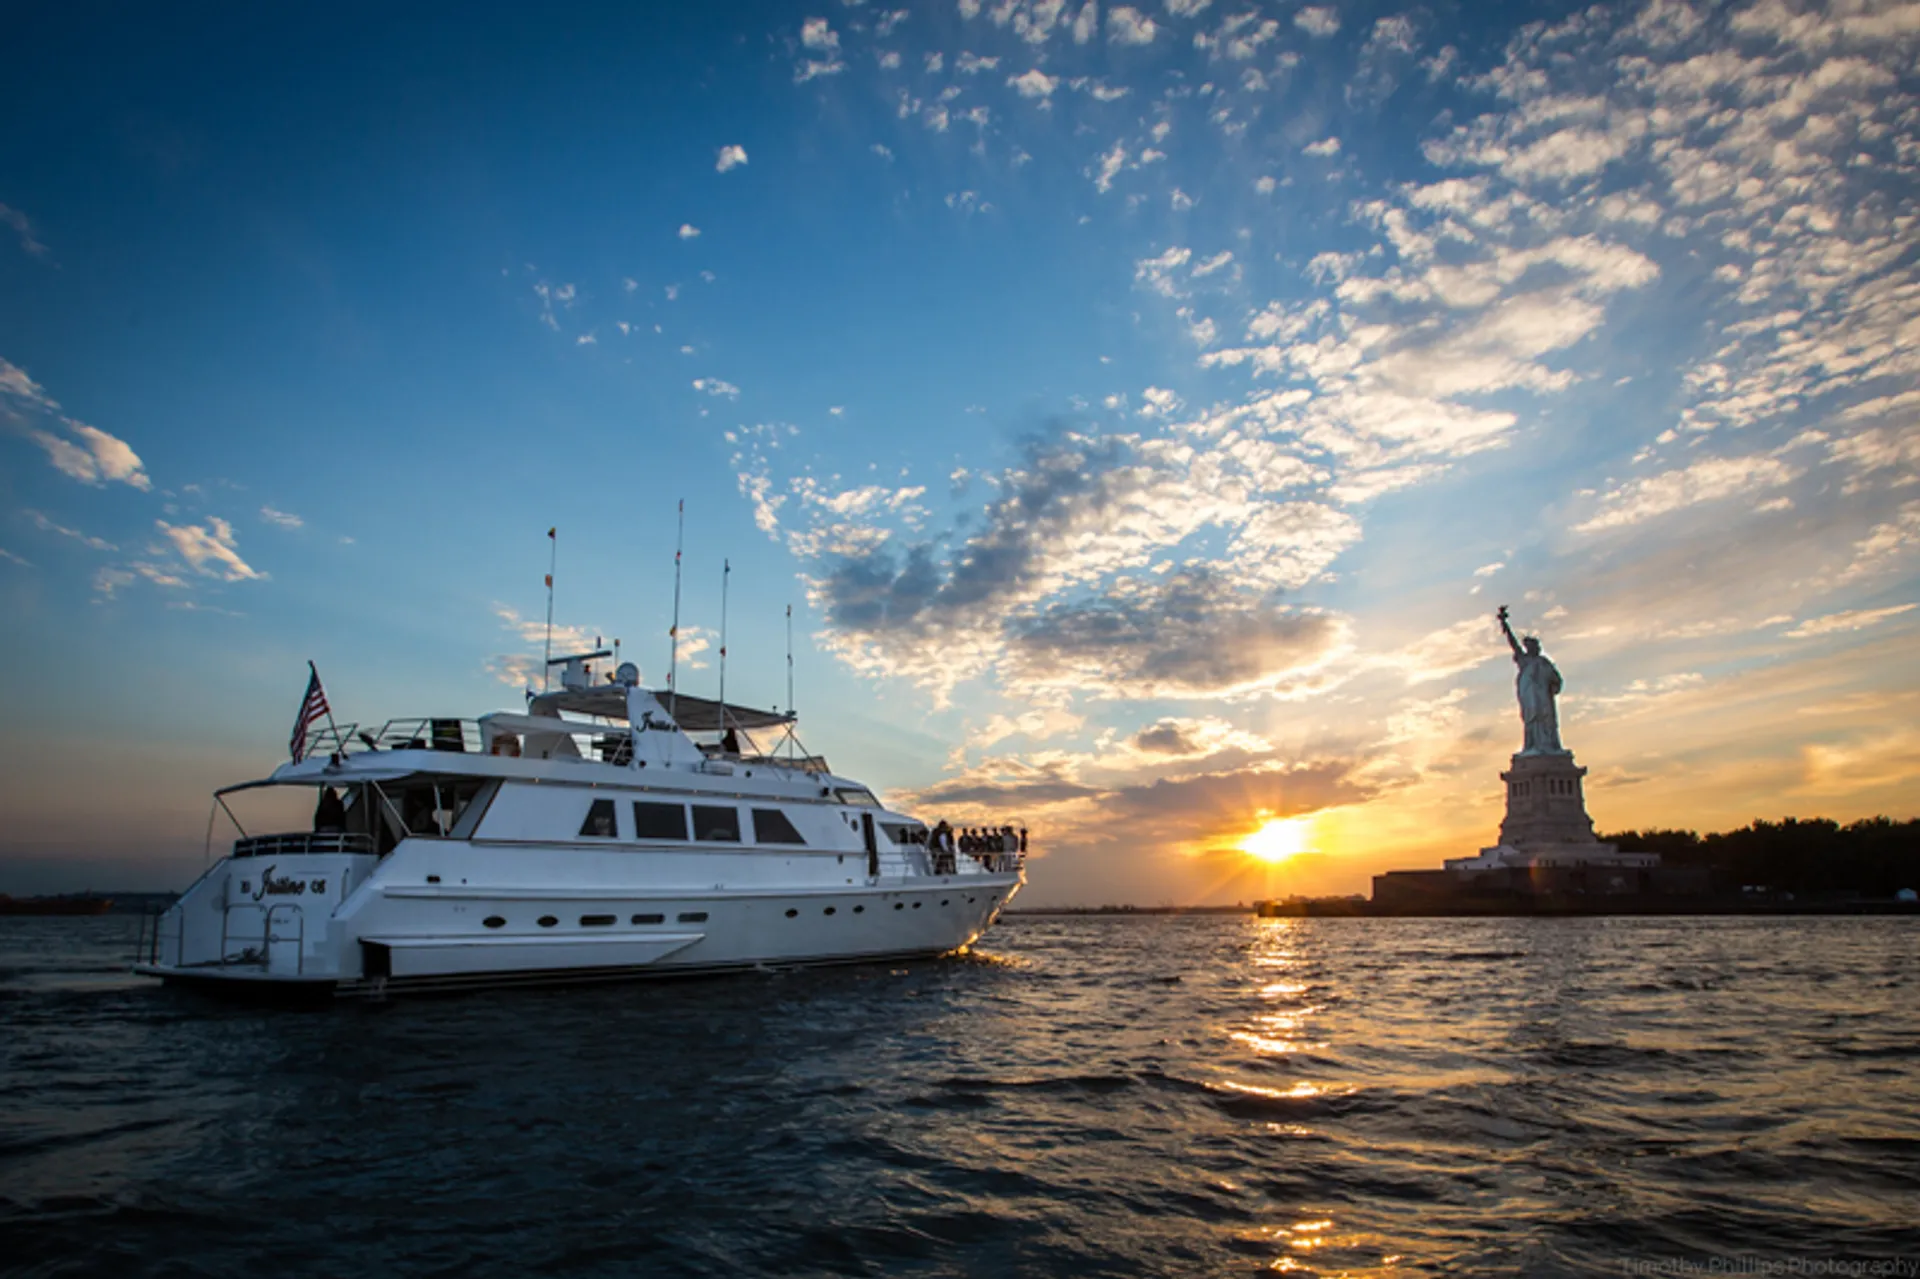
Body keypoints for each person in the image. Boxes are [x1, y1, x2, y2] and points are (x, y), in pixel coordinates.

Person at [1497, 606, 1567, 755]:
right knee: (1532, 722)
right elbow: (1513, 644)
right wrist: (1505, 624)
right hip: (1530, 698)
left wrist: (1555, 686)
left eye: (1535, 645)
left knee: (1548, 722)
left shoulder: (1544, 662)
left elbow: (1556, 679)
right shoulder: (1525, 661)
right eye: (1529, 646)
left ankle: (1550, 748)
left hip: (1543, 697)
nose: (1533, 648)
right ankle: (1533, 747)